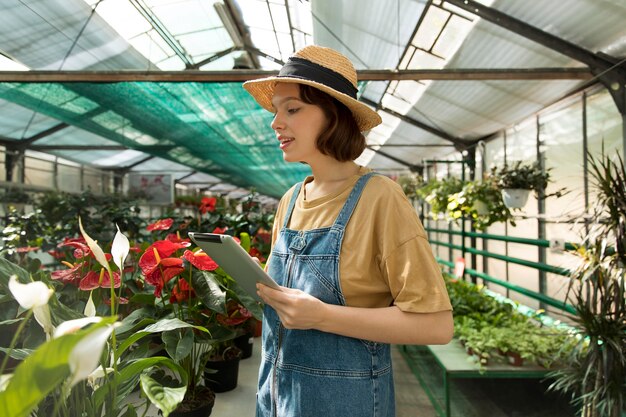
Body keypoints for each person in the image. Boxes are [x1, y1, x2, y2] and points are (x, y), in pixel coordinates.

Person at [243, 45, 453, 417]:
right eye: (276, 110)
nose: (276, 123)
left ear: (334, 116)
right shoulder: (290, 201)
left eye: (292, 109)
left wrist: (321, 316)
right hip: (276, 400)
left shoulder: (380, 198)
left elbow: (435, 325)